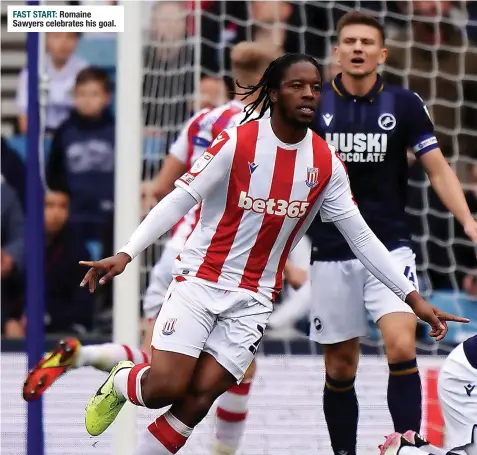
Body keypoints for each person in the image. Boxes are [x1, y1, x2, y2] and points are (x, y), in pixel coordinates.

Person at [79, 52, 460, 455]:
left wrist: (412, 298)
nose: (309, 94)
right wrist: (126, 253)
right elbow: (180, 198)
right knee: (165, 389)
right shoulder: (237, 141)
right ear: (274, 93)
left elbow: (362, 239)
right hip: (200, 281)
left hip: (254, 300)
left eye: (315, 87)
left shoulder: (325, 164)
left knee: (198, 400)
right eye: (297, 86)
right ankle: (121, 379)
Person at [23, 41, 281, 455]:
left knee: (160, 362)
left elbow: (164, 187)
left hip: (175, 252)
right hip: (219, 261)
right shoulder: (271, 128)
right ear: (273, 77)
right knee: (222, 371)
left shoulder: (203, 120)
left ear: (233, 76)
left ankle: (83, 354)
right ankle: (223, 450)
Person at [308, 11, 475, 455]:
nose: (358, 48)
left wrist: (469, 220)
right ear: (337, 51)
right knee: (341, 367)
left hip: (390, 246)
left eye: (367, 41)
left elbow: (437, 170)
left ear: (382, 53)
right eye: (350, 41)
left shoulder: (403, 104)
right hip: (329, 251)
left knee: (401, 344)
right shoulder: (313, 106)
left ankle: (409, 446)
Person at [47, 66, 115, 247]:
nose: (87, 100)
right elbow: (53, 173)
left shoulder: (117, 131)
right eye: (81, 94)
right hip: (73, 218)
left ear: (107, 97)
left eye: (94, 94)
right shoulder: (64, 131)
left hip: (111, 216)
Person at [16, 32, 88, 134]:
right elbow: (24, 117)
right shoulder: (32, 70)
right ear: (45, 39)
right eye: (56, 36)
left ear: (77, 41)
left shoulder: (84, 71)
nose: (63, 43)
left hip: (75, 133)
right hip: (41, 133)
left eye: (70, 37)